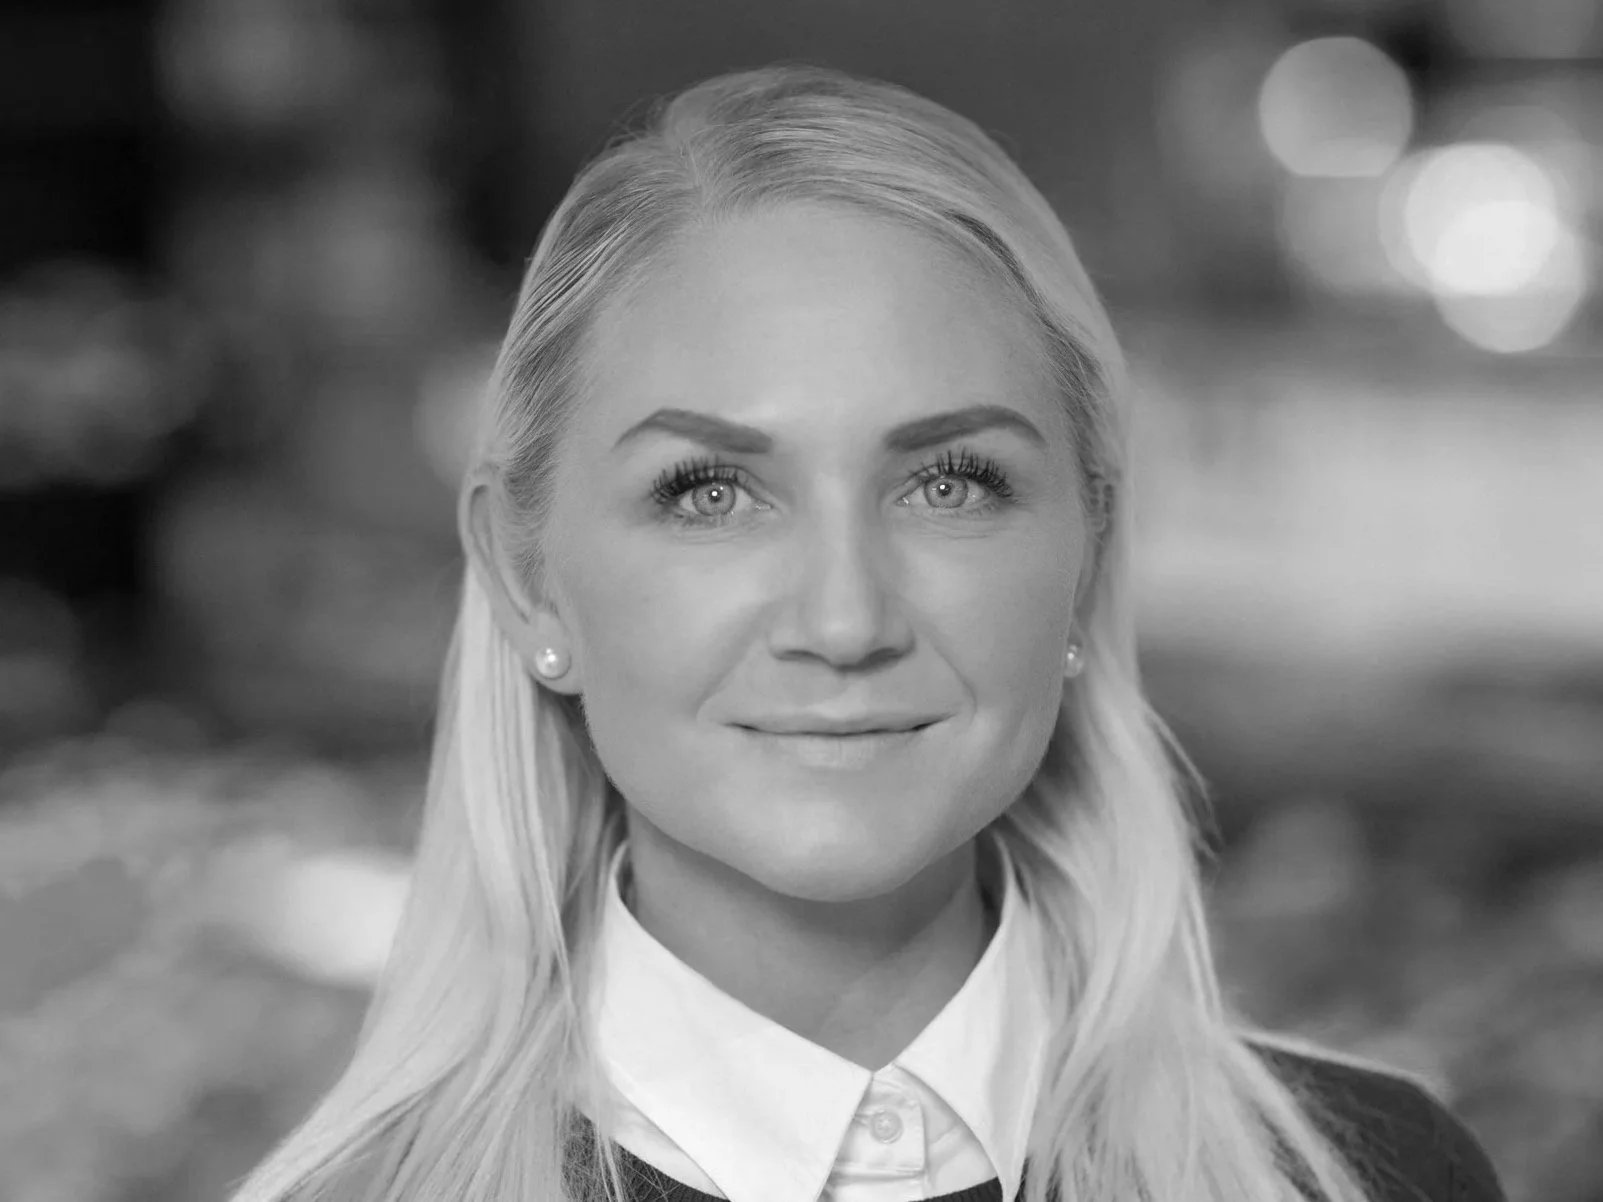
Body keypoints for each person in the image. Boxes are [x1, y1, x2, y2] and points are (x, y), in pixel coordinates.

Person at [227, 64, 1507, 1202]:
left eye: (949, 482)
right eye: (708, 492)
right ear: (527, 578)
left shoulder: (1377, 1176)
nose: (843, 620)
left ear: (1087, 553)